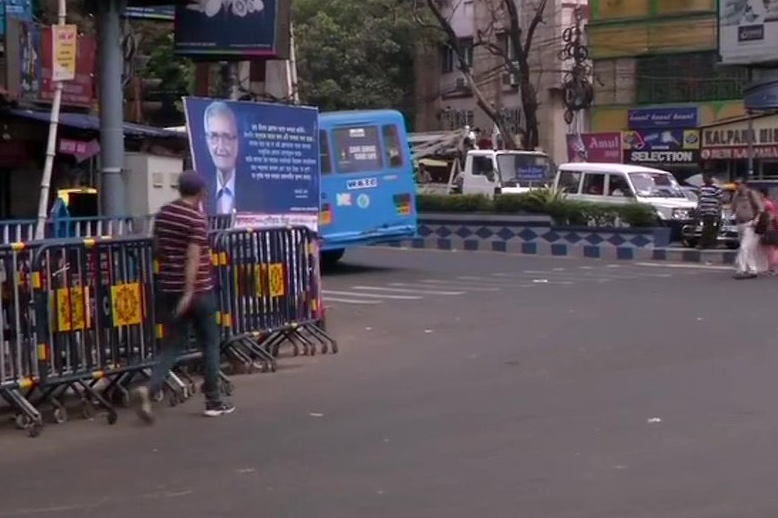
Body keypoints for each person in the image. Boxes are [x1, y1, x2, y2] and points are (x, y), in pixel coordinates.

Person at [134, 170, 235, 421]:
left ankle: (150, 389)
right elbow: (193, 255)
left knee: (172, 345)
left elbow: (157, 247)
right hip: (198, 291)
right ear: (200, 192)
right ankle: (213, 400)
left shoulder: (164, 213)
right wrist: (188, 291)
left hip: (167, 288)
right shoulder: (196, 219)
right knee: (210, 344)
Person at [203, 101, 240, 215]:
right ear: (207, 141)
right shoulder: (202, 192)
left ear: (237, 141)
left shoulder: (256, 194)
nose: (221, 147)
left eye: (227, 137)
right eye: (214, 136)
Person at [731, 178, 766, 279]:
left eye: (739, 184)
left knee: (744, 247)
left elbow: (761, 208)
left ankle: (742, 270)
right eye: (736, 184)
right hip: (740, 223)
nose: (737, 186)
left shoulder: (751, 194)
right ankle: (753, 269)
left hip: (750, 224)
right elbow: (733, 208)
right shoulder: (736, 195)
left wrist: (756, 219)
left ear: (744, 185)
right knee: (748, 249)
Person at [696, 174, 723, 249]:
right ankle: (710, 243)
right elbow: (700, 198)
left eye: (706, 178)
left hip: (712, 210)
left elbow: (719, 200)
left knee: (708, 227)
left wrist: (718, 210)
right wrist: (698, 208)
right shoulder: (702, 188)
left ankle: (703, 243)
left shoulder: (716, 188)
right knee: (708, 227)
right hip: (703, 210)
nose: (705, 179)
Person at [759, 188, 778, 273]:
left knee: (770, 248)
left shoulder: (766, 204)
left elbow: (771, 216)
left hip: (770, 228)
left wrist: (765, 224)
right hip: (771, 227)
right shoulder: (768, 203)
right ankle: (771, 267)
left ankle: (773, 267)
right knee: (769, 248)